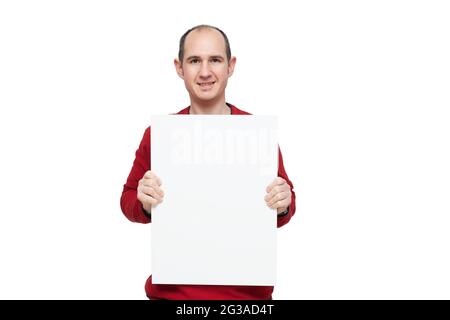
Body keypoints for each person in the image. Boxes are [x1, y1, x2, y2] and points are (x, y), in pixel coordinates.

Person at [120, 25, 296, 300]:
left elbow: (284, 207)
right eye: (194, 61)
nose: (204, 72)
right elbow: (128, 200)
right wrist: (144, 202)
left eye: (215, 60)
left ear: (230, 66)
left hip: (246, 299)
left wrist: (283, 203)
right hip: (172, 296)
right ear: (179, 68)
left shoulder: (256, 133)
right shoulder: (159, 135)